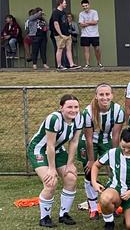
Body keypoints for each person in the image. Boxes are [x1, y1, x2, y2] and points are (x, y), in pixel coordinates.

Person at [28, 94, 83, 228]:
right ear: (61, 108)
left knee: (71, 178)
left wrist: (70, 164)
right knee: (51, 182)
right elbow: (50, 145)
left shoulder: (79, 118)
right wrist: (52, 169)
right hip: (39, 149)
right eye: (69, 107)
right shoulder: (54, 119)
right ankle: (44, 217)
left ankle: (64, 214)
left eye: (76, 107)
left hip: (57, 150)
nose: (73, 110)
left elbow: (74, 142)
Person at [78, 84, 125, 220]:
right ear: (96, 96)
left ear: (112, 95)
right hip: (89, 142)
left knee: (113, 170)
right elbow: (88, 138)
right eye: (101, 94)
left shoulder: (118, 110)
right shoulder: (88, 112)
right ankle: (93, 208)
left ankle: (112, 204)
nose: (104, 97)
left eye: (107, 94)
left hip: (107, 140)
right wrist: (92, 160)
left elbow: (116, 135)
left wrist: (115, 154)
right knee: (89, 171)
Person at [91, 126, 130, 230]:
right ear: (120, 141)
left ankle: (129, 213)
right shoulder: (112, 152)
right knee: (105, 199)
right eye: (123, 146)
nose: (126, 150)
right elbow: (96, 165)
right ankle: (109, 223)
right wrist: (94, 182)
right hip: (115, 189)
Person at [50, 0, 81, 70]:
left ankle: (71, 64)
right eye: (64, 3)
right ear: (60, 3)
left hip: (67, 34)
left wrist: (68, 33)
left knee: (69, 49)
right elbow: (56, 23)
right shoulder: (56, 12)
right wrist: (60, 34)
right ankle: (59, 65)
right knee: (60, 49)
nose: (66, 4)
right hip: (60, 35)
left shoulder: (63, 12)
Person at [78, 0, 103, 68]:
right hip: (85, 35)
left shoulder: (94, 12)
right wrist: (90, 22)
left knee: (97, 49)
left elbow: (95, 22)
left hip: (94, 34)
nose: (85, 7)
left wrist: (86, 22)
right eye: (83, 6)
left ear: (89, 5)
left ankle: (99, 63)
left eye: (86, 5)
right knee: (86, 49)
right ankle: (87, 64)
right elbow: (81, 24)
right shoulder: (81, 14)